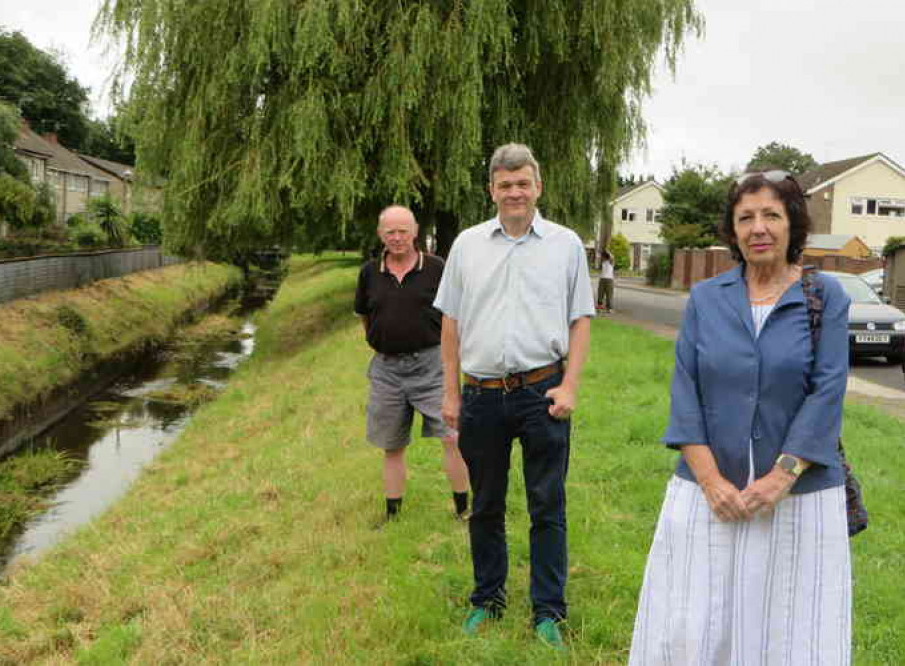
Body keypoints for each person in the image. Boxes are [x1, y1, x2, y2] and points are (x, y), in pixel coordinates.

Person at [629, 170, 852, 665]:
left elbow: (827, 392)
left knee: (793, 629)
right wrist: (708, 480)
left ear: (792, 224)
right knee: (693, 622)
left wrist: (781, 477)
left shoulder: (825, 297)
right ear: (732, 230)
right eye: (745, 217)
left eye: (771, 215)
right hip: (708, 493)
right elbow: (685, 390)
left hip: (799, 498)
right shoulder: (707, 299)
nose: (759, 228)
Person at [435, 143, 595, 650]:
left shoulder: (566, 245)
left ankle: (548, 610)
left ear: (538, 187)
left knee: (547, 502)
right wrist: (450, 392)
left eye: (522, 183)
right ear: (492, 191)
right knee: (485, 504)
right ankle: (488, 600)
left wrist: (569, 385)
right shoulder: (466, 245)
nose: (514, 193)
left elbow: (580, 320)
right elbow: (451, 323)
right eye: (505, 185)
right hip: (481, 396)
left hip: (542, 392)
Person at [354, 205, 470, 526]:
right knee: (391, 446)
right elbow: (366, 316)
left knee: (453, 438)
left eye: (403, 230)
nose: (397, 238)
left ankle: (464, 511)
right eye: (390, 231)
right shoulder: (368, 273)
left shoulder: (437, 268)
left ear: (415, 231)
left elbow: (453, 316)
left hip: (432, 367)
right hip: (387, 371)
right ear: (380, 234)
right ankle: (392, 515)